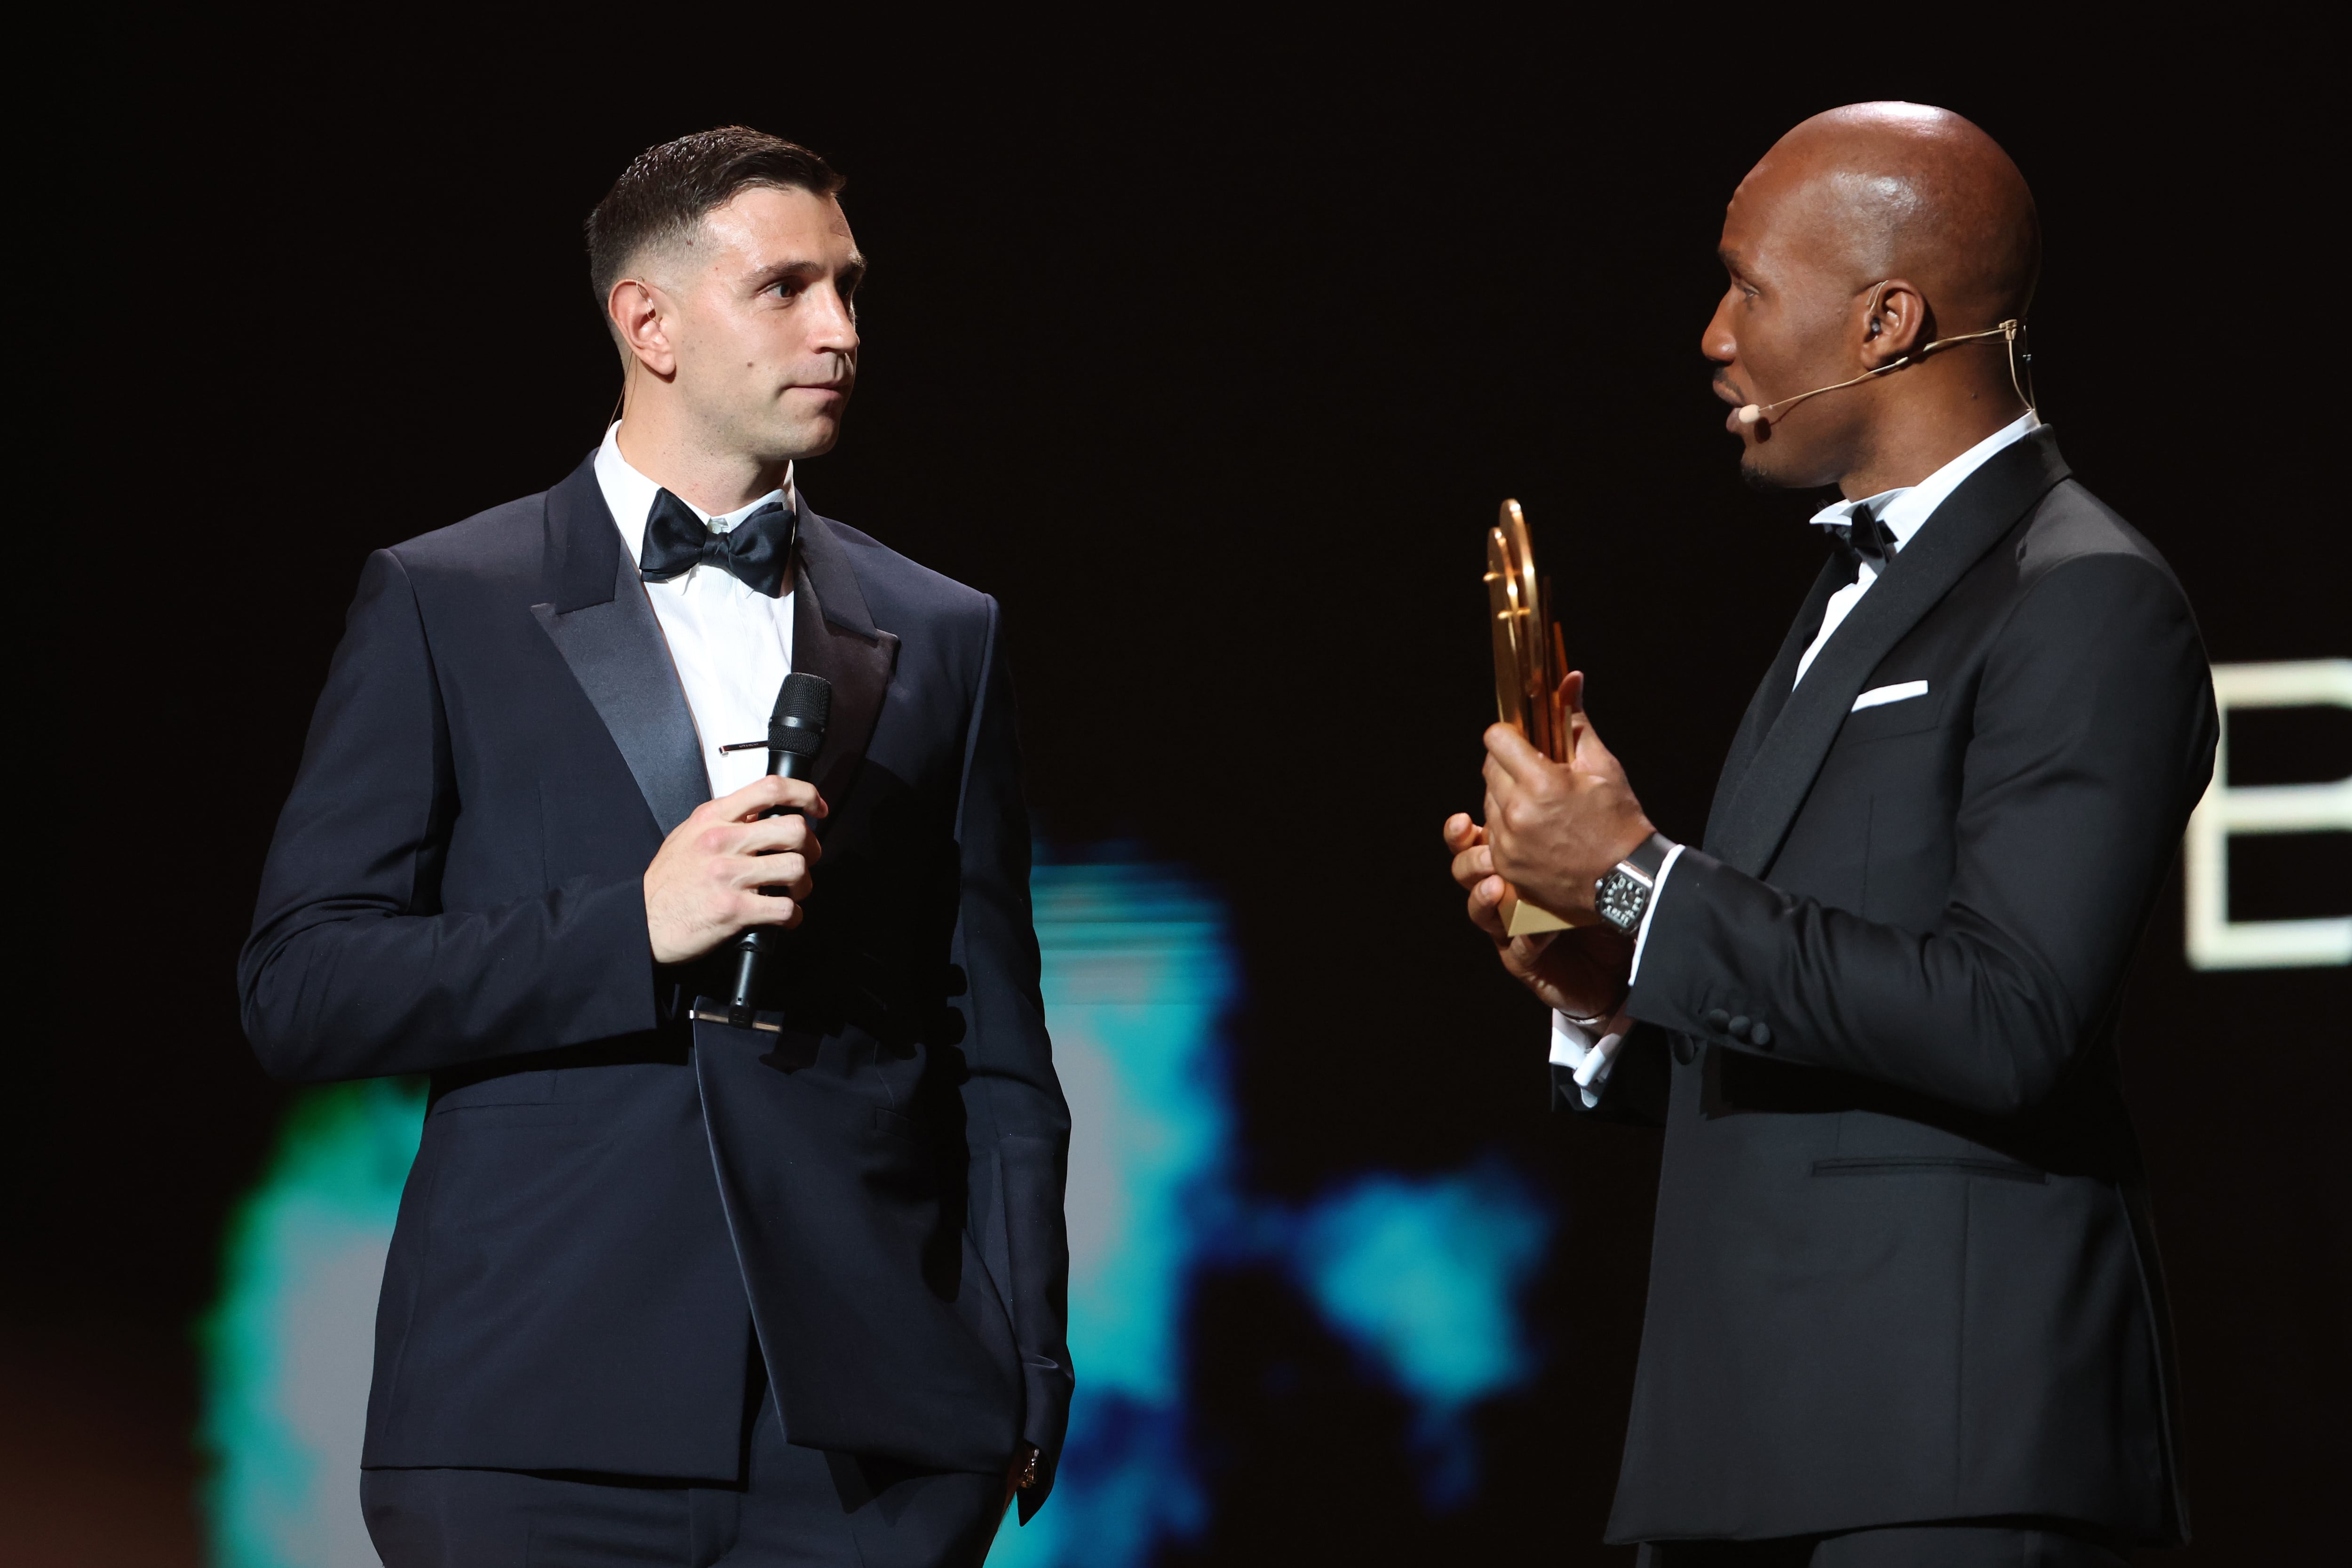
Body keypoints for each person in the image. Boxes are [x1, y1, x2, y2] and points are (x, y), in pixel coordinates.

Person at [240, 127, 1070, 1568]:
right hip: (533, 1414)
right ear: (650, 321)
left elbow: (993, 1038)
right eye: (790, 289)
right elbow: (302, 987)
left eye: (853, 291)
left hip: (870, 1440)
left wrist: (1022, 1365)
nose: (840, 330)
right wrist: (628, 925)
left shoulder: (945, 629)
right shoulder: (448, 600)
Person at [1445, 103, 2212, 1566]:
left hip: (1954, 1456)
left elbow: (2008, 1018)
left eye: (1747, 285)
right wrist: (1612, 985)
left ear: (1885, 320)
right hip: (1757, 1456)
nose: (1715, 336)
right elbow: (1832, 1023)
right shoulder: (1849, 596)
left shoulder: (2087, 597)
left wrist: (1641, 881)